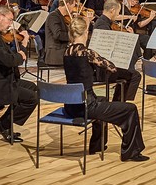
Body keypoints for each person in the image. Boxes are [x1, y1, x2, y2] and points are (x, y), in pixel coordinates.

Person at [63, 16, 149, 162]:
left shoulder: (66, 52)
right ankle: (132, 152)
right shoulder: (87, 52)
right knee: (130, 109)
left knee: (102, 99)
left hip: (71, 106)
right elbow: (111, 67)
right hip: (87, 106)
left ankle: (98, 145)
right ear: (86, 33)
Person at [0, 5, 39, 142]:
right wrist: (21, 53)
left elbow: (10, 55)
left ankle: (4, 124)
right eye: (10, 20)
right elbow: (8, 60)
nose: (11, 24)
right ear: (0, 17)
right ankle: (3, 125)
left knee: (33, 88)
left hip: (3, 78)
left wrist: (22, 45)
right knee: (32, 98)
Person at [93, 0, 142, 101]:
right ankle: (122, 105)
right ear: (112, 10)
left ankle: (118, 102)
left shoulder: (103, 22)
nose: (117, 15)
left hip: (105, 66)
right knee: (134, 75)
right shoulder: (102, 25)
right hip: (103, 69)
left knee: (128, 72)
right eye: (118, 12)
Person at [44, 0, 79, 66]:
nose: (73, 9)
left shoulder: (61, 17)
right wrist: (73, 37)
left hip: (61, 50)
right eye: (73, 6)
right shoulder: (53, 16)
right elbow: (58, 35)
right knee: (80, 58)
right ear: (68, 4)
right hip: (55, 54)